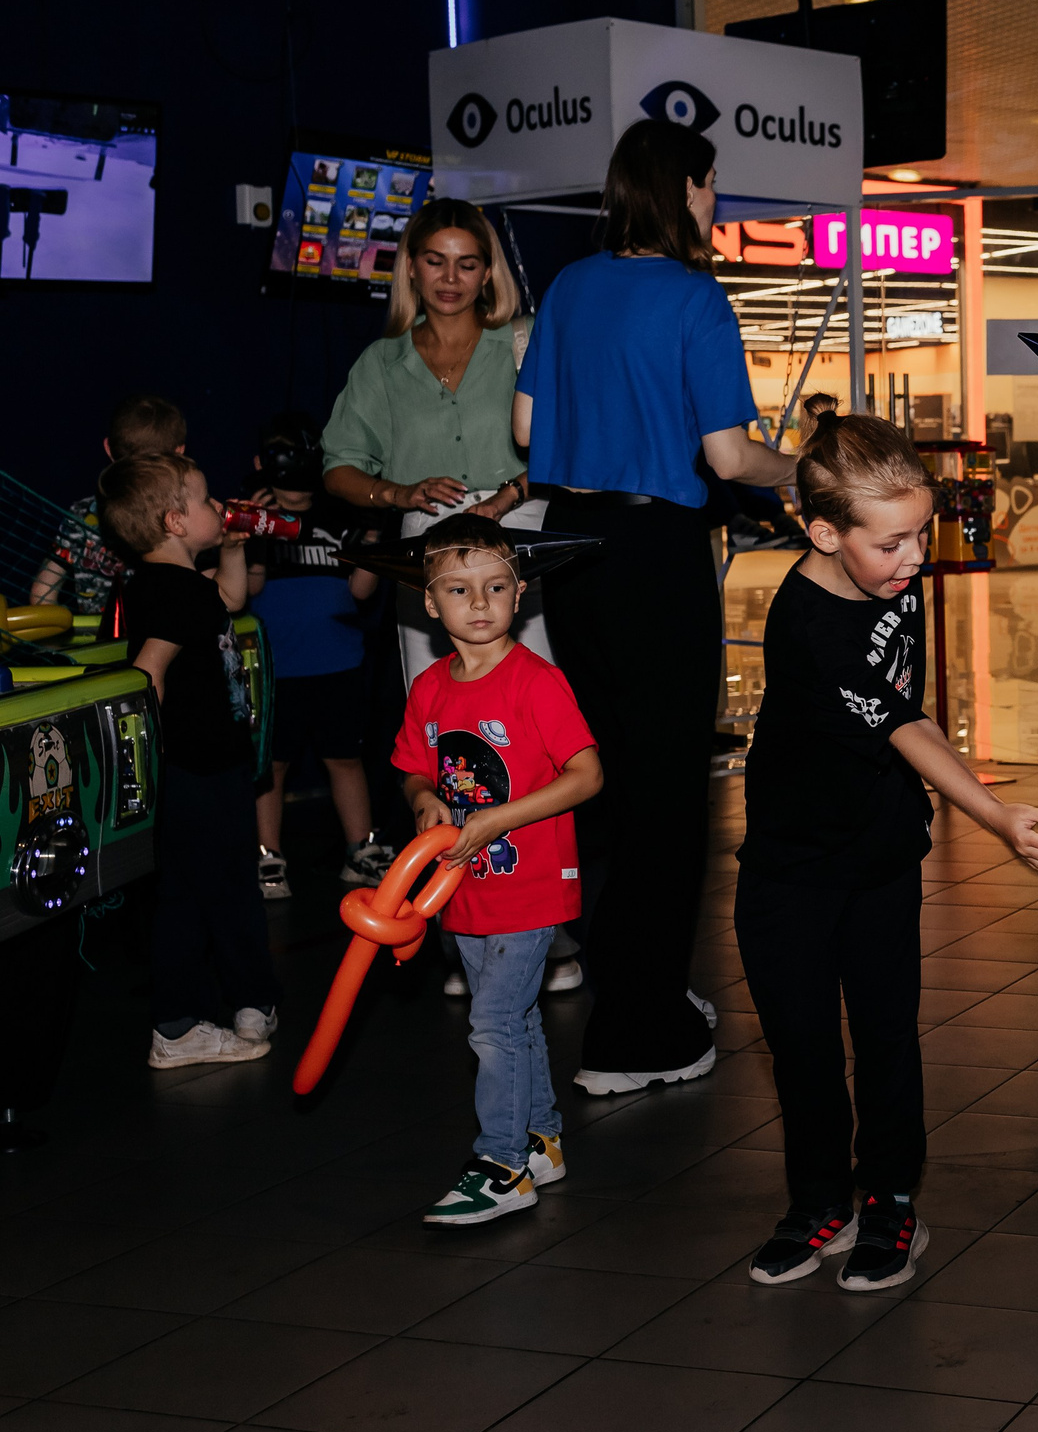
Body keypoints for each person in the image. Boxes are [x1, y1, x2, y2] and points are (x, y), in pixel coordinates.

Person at [738, 415, 1038, 1288]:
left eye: (919, 532)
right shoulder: (808, 627)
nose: (914, 557)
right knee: (802, 1044)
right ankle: (820, 1203)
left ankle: (889, 1199)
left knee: (886, 1036)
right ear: (822, 532)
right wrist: (999, 819)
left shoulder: (892, 576)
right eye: (891, 542)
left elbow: (905, 704)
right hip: (791, 866)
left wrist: (977, 815)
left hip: (880, 852)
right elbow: (906, 723)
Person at [512, 119, 799, 1096]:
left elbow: (525, 426)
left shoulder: (570, 288)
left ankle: (634, 997)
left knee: (605, 790)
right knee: (669, 798)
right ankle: (640, 1034)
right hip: (656, 556)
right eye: (711, 186)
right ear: (681, 189)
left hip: (576, 557)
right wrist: (803, 473)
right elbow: (728, 458)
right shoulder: (692, 296)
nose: (715, 203)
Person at [391, 519, 602, 1224]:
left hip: (529, 883)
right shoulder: (429, 689)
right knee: (514, 1019)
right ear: (430, 600)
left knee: (492, 1022)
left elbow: (586, 774)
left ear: (520, 593)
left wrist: (497, 818)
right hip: (466, 888)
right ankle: (540, 1136)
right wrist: (424, 801)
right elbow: (415, 769)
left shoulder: (536, 683)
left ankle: (503, 1162)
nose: (478, 603)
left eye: (494, 587)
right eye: (458, 588)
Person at [101, 451, 281, 1069]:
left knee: (199, 891)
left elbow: (227, 599)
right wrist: (149, 760)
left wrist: (232, 545)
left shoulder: (170, 584)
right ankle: (211, 1013)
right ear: (176, 521)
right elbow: (148, 675)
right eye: (206, 502)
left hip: (200, 769)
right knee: (216, 893)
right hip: (196, 771)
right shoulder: (176, 593)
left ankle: (210, 1012)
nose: (218, 508)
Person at [322, 197, 548, 682]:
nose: (450, 278)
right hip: (429, 542)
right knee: (439, 707)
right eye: (435, 261)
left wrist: (508, 496)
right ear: (410, 266)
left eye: (467, 264)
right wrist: (397, 493)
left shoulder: (524, 341)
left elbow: (570, 445)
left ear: (487, 274)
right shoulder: (382, 363)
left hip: (521, 535)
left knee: (534, 701)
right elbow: (338, 468)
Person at [243, 412, 395, 897]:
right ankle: (268, 857)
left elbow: (361, 590)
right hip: (278, 669)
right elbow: (247, 589)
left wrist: (372, 536)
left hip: (338, 664)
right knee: (274, 766)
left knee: (344, 759)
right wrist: (257, 536)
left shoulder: (339, 516)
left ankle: (361, 852)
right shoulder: (253, 518)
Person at [28, 394, 187, 614]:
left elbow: (42, 592)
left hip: (96, 645)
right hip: (165, 641)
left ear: (109, 449)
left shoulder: (81, 514)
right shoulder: (186, 516)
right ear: (180, 452)